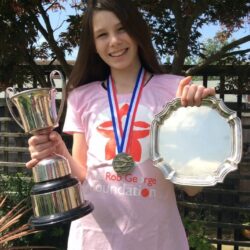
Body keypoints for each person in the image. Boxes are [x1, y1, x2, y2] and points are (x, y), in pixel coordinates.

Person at [26, 0, 215, 249]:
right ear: (93, 45)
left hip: (157, 239)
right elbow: (83, 176)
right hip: (93, 238)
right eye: (102, 34)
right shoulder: (81, 96)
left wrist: (198, 117)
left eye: (122, 29)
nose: (114, 41)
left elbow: (191, 189)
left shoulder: (174, 89)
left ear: (137, 31)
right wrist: (57, 151)